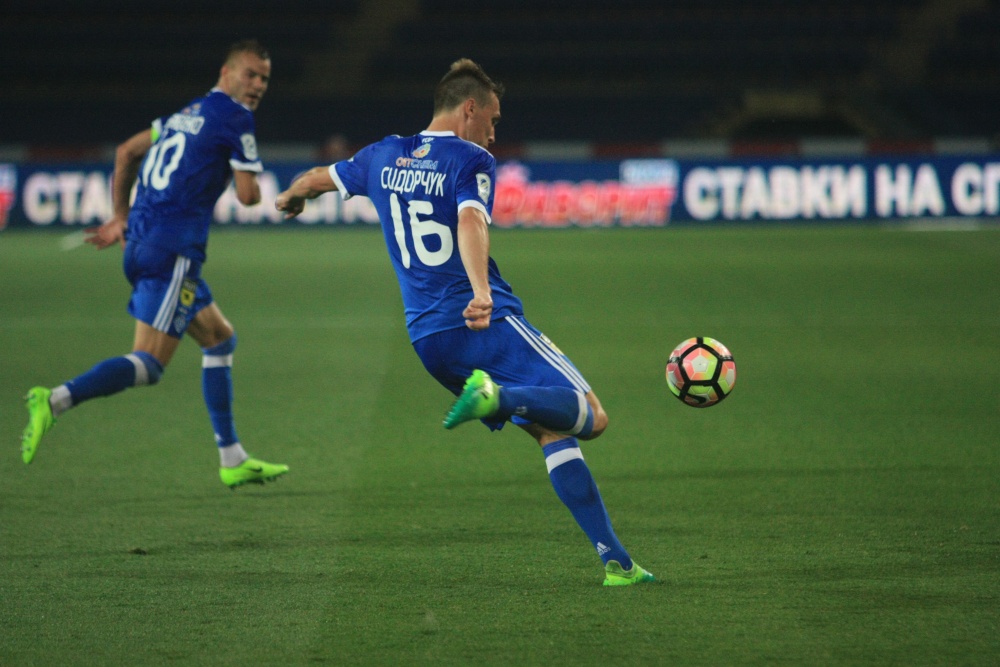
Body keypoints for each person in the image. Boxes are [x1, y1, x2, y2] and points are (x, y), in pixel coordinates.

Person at [274, 58, 654, 586]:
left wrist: (291, 195)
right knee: (591, 415)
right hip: (481, 324)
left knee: (549, 428)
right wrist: (481, 292)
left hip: (428, 340)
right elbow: (471, 218)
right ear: (469, 109)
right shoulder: (469, 158)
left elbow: (318, 178)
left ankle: (616, 562)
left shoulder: (382, 154)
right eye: (492, 121)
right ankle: (495, 397)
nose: (494, 134)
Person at [21, 40, 289, 489]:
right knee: (149, 364)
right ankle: (55, 400)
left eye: (264, 78)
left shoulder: (185, 114)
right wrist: (255, 177)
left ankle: (232, 458)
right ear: (226, 72)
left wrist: (119, 216)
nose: (258, 85)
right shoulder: (236, 117)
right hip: (174, 250)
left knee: (219, 338)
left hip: (143, 242)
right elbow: (248, 196)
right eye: (251, 74)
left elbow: (126, 152)